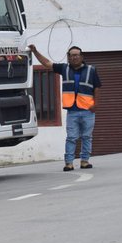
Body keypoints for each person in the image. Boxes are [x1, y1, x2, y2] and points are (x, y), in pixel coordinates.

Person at [29, 43, 101, 171]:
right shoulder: (64, 68)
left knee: (87, 137)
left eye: (76, 55)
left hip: (88, 110)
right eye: (71, 55)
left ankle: (85, 161)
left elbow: (97, 87)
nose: (74, 57)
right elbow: (47, 64)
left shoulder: (91, 70)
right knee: (71, 137)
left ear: (82, 56)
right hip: (72, 111)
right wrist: (35, 51)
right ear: (68, 57)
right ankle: (69, 163)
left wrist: (96, 104)